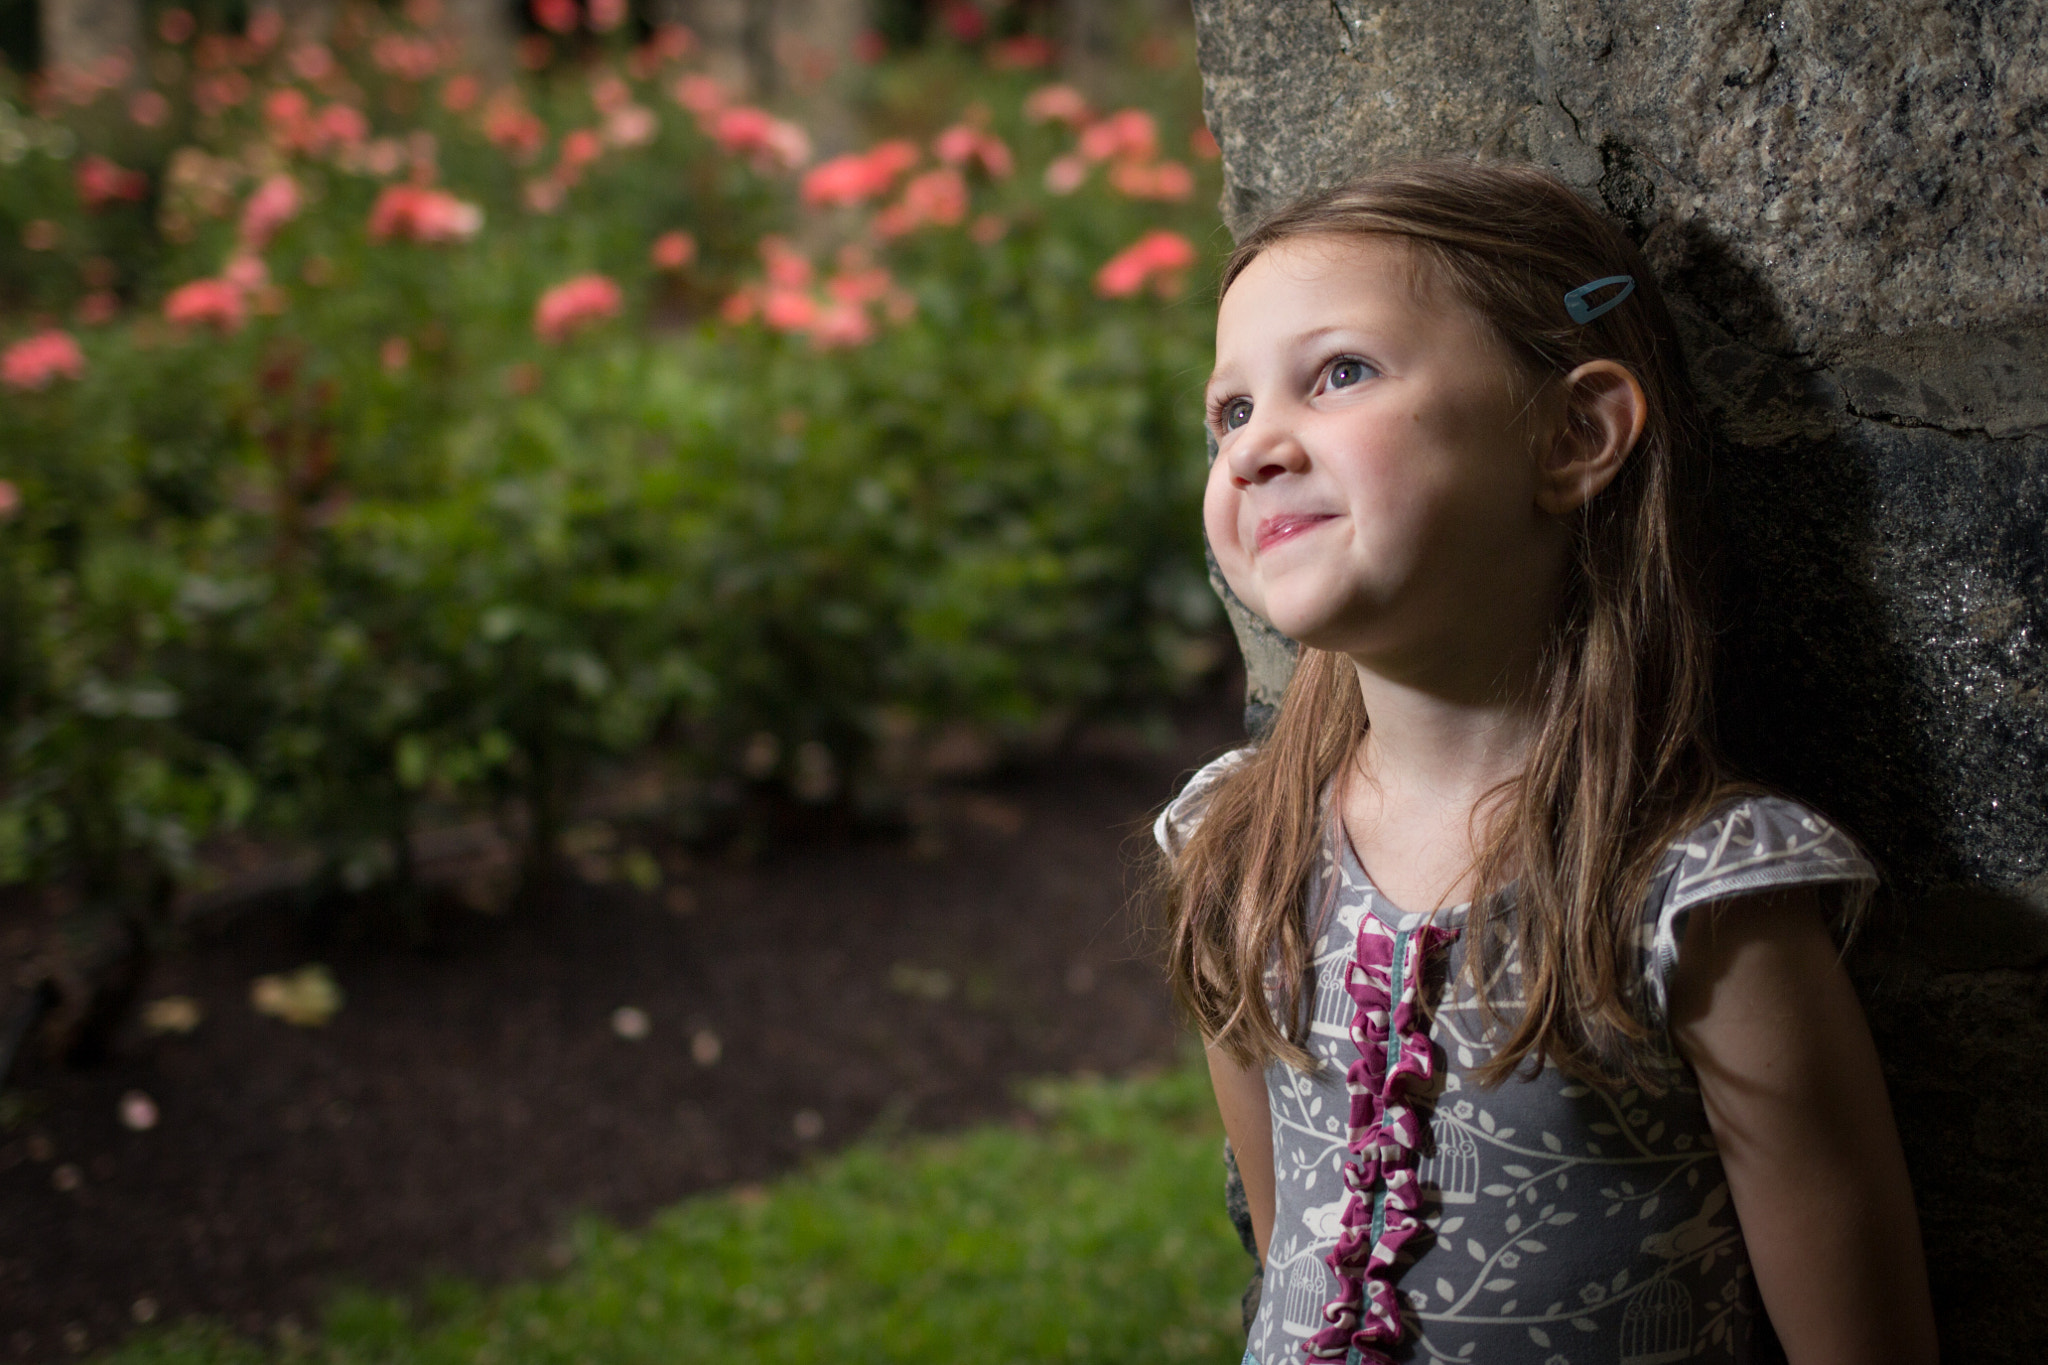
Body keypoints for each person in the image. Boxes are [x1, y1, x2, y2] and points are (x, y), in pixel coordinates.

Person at [1154, 160, 1938, 1365]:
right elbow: (1283, 1262)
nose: (1256, 448)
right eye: (1230, 411)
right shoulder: (1236, 853)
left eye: (1340, 373)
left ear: (1573, 434)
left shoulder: (1696, 897)